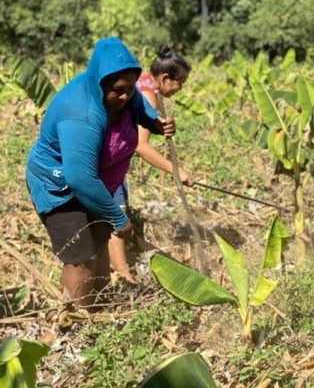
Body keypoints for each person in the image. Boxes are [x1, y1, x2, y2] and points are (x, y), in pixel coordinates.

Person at [25, 37, 176, 308]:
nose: (124, 96)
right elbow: (80, 178)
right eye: (117, 90)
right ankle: (78, 321)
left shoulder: (124, 95)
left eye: (129, 88)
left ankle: (101, 309)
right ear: (99, 82)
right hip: (60, 185)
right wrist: (119, 218)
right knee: (80, 255)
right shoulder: (80, 114)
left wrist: (155, 122)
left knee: (100, 239)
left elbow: (139, 105)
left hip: (97, 182)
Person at [107, 46, 193, 284]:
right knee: (117, 217)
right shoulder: (147, 93)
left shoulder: (142, 83)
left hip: (112, 159)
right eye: (180, 83)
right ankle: (124, 277)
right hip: (109, 161)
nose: (180, 89)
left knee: (117, 215)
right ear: (166, 78)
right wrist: (176, 171)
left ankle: (123, 271)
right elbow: (140, 146)